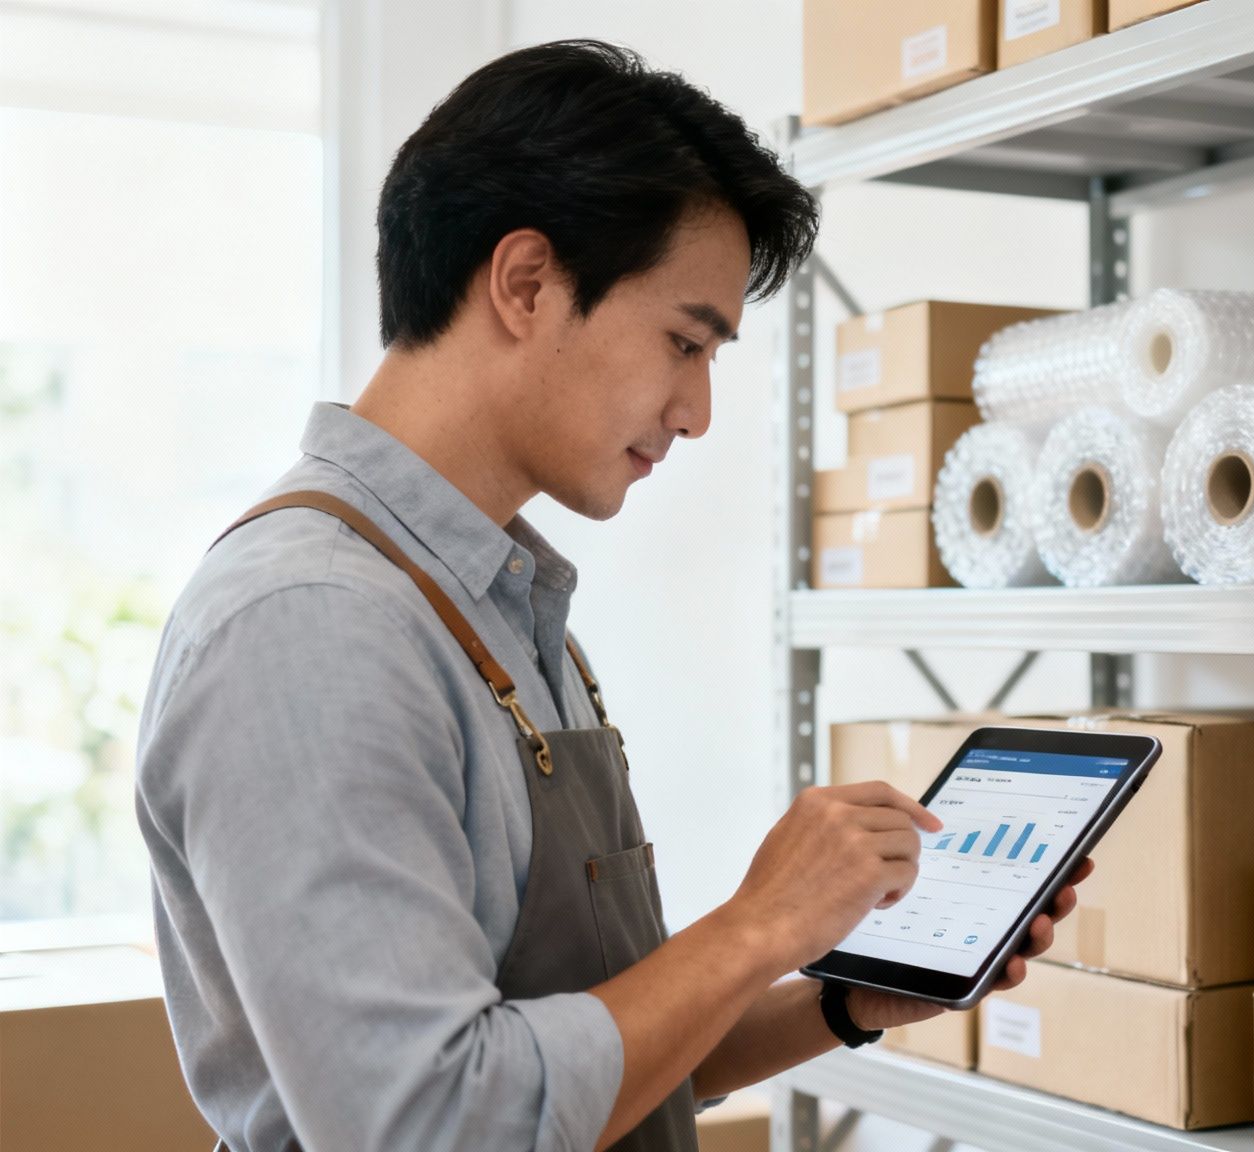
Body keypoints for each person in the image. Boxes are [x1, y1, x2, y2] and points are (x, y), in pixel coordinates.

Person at [133, 40, 1086, 1152]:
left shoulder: (504, 606)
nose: (697, 411)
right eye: (685, 341)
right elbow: (431, 1124)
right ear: (526, 284)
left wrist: (839, 997)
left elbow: (593, 1062)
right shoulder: (309, 627)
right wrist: (756, 922)